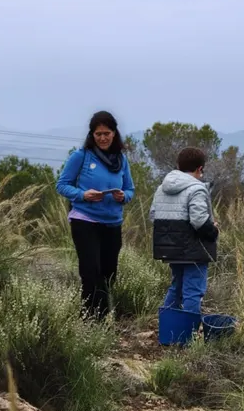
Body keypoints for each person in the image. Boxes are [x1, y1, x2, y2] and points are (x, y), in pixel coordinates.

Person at [56, 110, 135, 321]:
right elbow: (62, 185)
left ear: (114, 134)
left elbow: (130, 189)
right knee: (91, 273)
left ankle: (102, 317)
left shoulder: (121, 160)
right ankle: (88, 320)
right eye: (98, 133)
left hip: (112, 223)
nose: (102, 137)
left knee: (108, 275)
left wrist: (123, 197)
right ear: (92, 134)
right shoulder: (80, 156)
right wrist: (83, 195)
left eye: (106, 133)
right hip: (85, 220)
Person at [149, 147, 219, 315]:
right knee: (193, 291)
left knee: (177, 287)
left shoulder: (161, 188)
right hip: (194, 250)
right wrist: (213, 230)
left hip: (170, 248)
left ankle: (169, 331)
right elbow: (199, 220)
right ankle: (190, 335)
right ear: (200, 169)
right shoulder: (197, 188)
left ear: (178, 165)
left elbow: (153, 216)